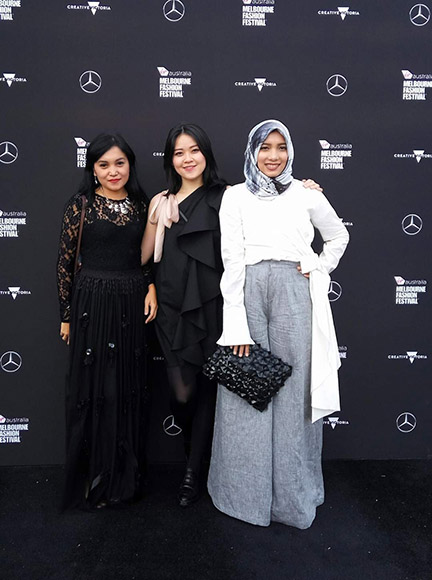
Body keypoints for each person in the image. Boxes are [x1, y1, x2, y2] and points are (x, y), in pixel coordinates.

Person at [141, 122, 323, 508]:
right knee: (181, 393)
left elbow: (272, 201)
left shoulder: (228, 196)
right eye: (178, 152)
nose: (187, 159)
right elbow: (144, 258)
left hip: (212, 306)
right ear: (170, 160)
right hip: (171, 305)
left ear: (206, 153)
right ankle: (196, 455)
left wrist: (304, 189)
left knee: (213, 390)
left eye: (194, 150)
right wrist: (151, 280)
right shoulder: (160, 200)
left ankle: (194, 471)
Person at [208, 119, 349, 529]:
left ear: (289, 150)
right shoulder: (234, 197)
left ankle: (291, 500)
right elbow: (232, 260)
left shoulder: (306, 194)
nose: (273, 156)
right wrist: (234, 324)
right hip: (248, 291)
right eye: (265, 147)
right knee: (244, 391)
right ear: (252, 151)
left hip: (294, 291)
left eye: (280, 147)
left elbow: (337, 236)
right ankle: (243, 500)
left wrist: (318, 267)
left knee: (293, 397)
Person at [57, 133, 157, 510]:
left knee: (126, 390)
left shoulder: (141, 204)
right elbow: (64, 264)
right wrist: (66, 316)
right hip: (92, 304)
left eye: (119, 163)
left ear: (130, 164)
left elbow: (145, 256)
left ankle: (123, 479)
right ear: (93, 169)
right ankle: (93, 480)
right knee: (94, 390)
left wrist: (150, 287)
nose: (113, 171)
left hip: (131, 302)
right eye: (103, 164)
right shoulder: (80, 205)